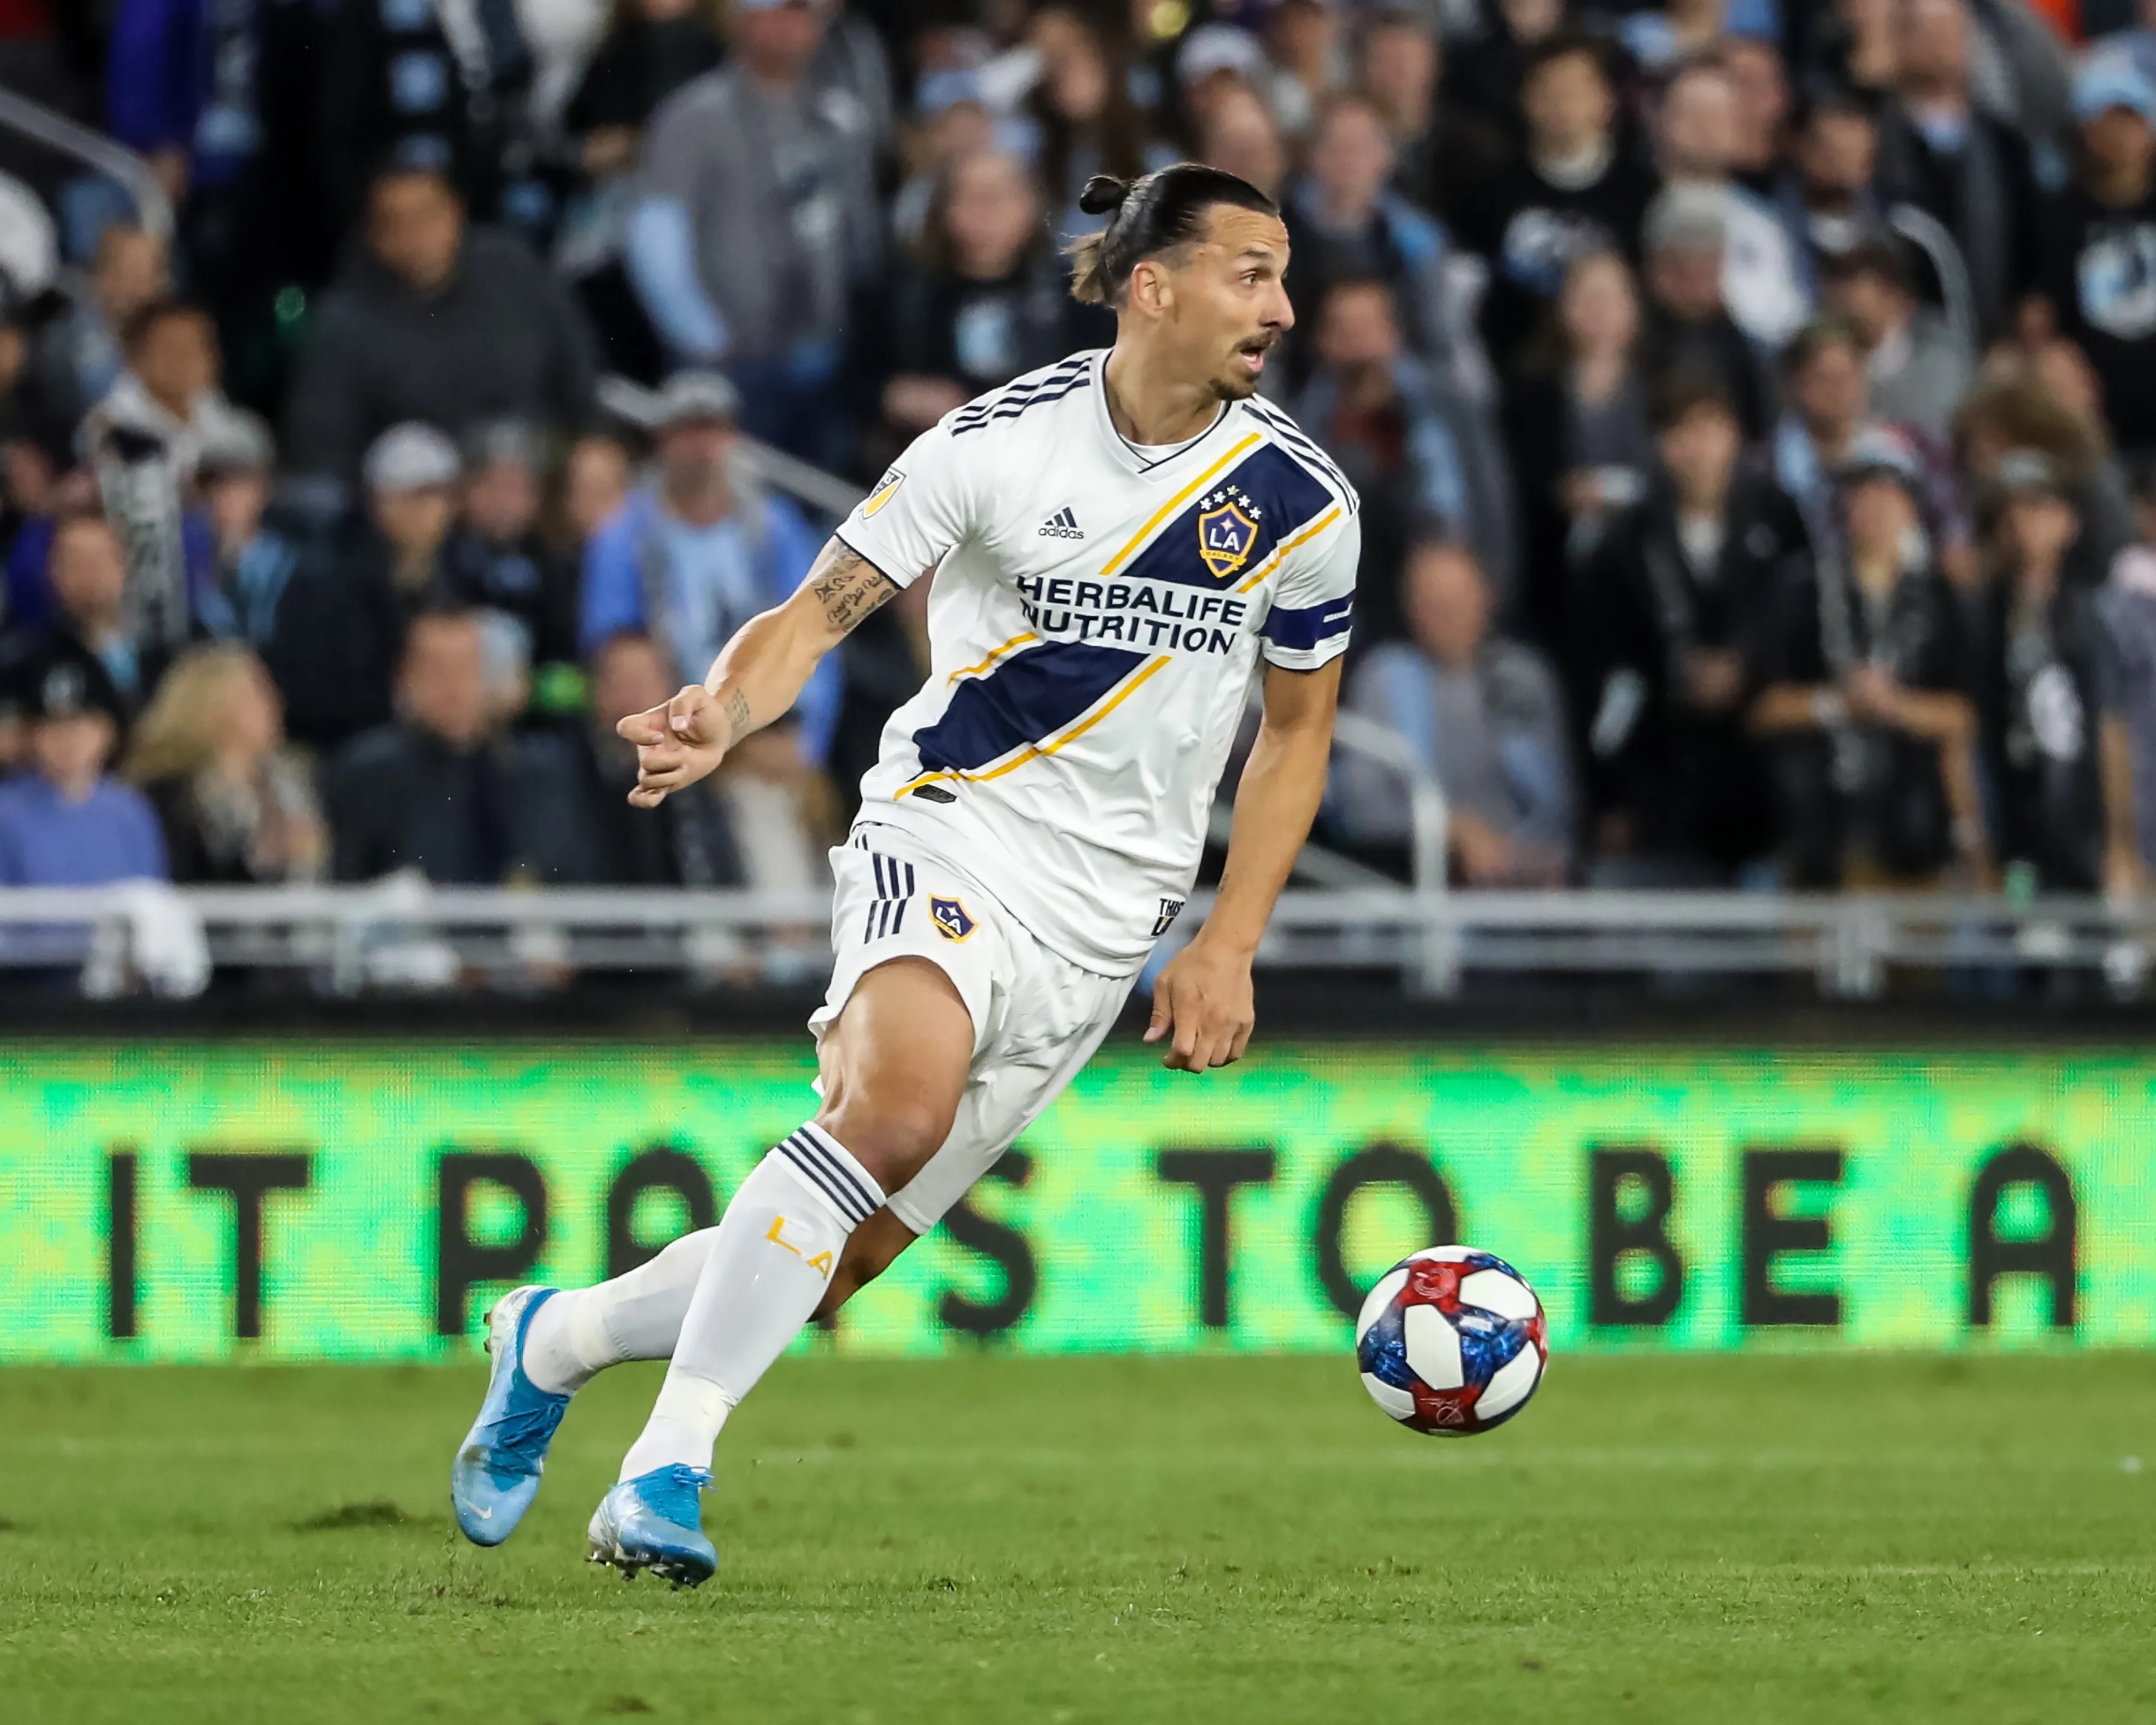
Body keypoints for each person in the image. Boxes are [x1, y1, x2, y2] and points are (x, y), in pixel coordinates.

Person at [447, 162, 1359, 1585]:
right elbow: (816, 612)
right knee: (891, 1108)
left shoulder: (1301, 502)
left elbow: (1296, 739)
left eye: (1284, 271)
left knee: (844, 1256)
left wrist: (1227, 936)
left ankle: (550, 1337)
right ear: (1151, 285)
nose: (1283, 307)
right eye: (1252, 271)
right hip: (953, 823)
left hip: (1106, 918)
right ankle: (661, 1471)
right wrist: (721, 709)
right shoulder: (995, 444)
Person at [623, 0, 880, 463]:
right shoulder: (693, 115)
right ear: (742, 19)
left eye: (802, 15)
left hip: (826, 353)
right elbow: (656, 237)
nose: (789, 28)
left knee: (827, 495)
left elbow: (861, 234)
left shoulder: (841, 115)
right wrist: (702, 336)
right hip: (730, 359)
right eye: (776, 12)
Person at [1575, 376, 1798, 883]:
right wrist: (1612, 797)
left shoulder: (1779, 519)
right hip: (1665, 775)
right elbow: (1608, 675)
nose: (1698, 448)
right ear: (1661, 443)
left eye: (1711, 429)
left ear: (1736, 436)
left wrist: (1748, 667)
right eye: (1681, 431)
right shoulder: (1626, 541)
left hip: (1765, 775)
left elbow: (1800, 629)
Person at [1749, 434, 1986, 888]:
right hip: (1819, 837)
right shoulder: (1799, 590)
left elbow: (1964, 715)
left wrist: (1895, 707)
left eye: (1889, 492)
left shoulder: (1940, 600)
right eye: (1862, 492)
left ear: (1911, 506)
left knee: (1914, 949)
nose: (1875, 506)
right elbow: (1765, 707)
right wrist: (1837, 704)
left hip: (1914, 838)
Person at [283, 163, 596, 492]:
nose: (415, 235)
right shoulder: (343, 321)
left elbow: (580, 375)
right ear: (372, 236)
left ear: (456, 213)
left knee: (595, 461)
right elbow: (323, 450)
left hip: (539, 476)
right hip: (425, 499)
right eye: (396, 224)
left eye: (427, 216)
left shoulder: (515, 270)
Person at [580, 371, 836, 760]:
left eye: (713, 431)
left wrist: (807, 742)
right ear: (662, 439)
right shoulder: (623, 535)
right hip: (673, 725)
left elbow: (817, 629)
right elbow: (613, 651)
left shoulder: (774, 529)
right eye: (688, 432)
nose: (702, 449)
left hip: (764, 730)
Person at [1337, 541, 1572, 885]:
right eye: (1432, 603)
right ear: (1410, 608)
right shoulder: (1383, 678)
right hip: (1413, 880)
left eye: (1457, 602)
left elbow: (1559, 805)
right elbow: (1359, 808)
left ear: (1487, 599)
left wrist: (1514, 852)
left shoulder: (1524, 678)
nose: (1445, 615)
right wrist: (1449, 829)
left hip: (1522, 885)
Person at [1291, 277, 1513, 635]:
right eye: (1344, 328)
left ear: (1394, 332)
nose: (1359, 342)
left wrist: (1494, 593)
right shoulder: (1302, 431)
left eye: (1369, 326)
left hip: (1456, 593)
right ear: (1321, 341)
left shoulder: (1449, 409)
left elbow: (1491, 505)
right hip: (1352, 610)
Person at [1971, 452, 2136, 896]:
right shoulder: (1984, 617)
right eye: (2009, 512)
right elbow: (1971, 733)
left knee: (2088, 951)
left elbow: (2109, 728)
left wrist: (2120, 845)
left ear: (2068, 522)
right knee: (2025, 940)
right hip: (2014, 835)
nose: (2023, 525)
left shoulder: (2087, 619)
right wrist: (1979, 846)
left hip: (2081, 833)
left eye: (2037, 508)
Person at [1454, 32, 1661, 379]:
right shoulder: (1490, 192)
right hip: (1513, 374)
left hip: (1620, 377)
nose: (1563, 104)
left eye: (1576, 91)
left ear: (1605, 101)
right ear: (1527, 100)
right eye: (1549, 91)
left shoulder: (1642, 192)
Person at [266, 423, 461, 751]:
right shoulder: (323, 582)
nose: (433, 510)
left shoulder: (457, 573)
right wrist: (399, 702)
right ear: (380, 501)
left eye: (442, 496)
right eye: (419, 496)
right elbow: (306, 693)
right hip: (344, 748)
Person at [325, 606, 544, 884]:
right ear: (406, 677)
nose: (454, 685)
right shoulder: (367, 772)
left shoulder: (521, 770)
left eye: (465, 668)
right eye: (438, 669)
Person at [122, 643, 324, 885]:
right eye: (258, 692)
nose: (276, 704)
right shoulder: (168, 798)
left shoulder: (292, 784)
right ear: (216, 707)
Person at [2037, 58, 2156, 458]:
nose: (2119, 135)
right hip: (2095, 431)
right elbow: (2041, 322)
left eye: (2130, 119)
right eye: (2104, 120)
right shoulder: (2058, 216)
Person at [0, 634, 166, 889]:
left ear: (106, 732)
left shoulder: (131, 812)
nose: (68, 741)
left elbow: (152, 901)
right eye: (54, 726)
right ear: (32, 736)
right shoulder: (7, 814)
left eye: (80, 725)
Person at [1637, 184, 1776, 443]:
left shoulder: (1744, 348)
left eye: (1707, 259)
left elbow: (1761, 434)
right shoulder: (1632, 341)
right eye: (1682, 259)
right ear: (1654, 265)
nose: (1695, 274)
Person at [1819, 238, 1972, 446]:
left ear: (1897, 298)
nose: (1844, 305)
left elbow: (1940, 438)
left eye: (1854, 285)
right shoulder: (1822, 365)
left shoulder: (1942, 359)